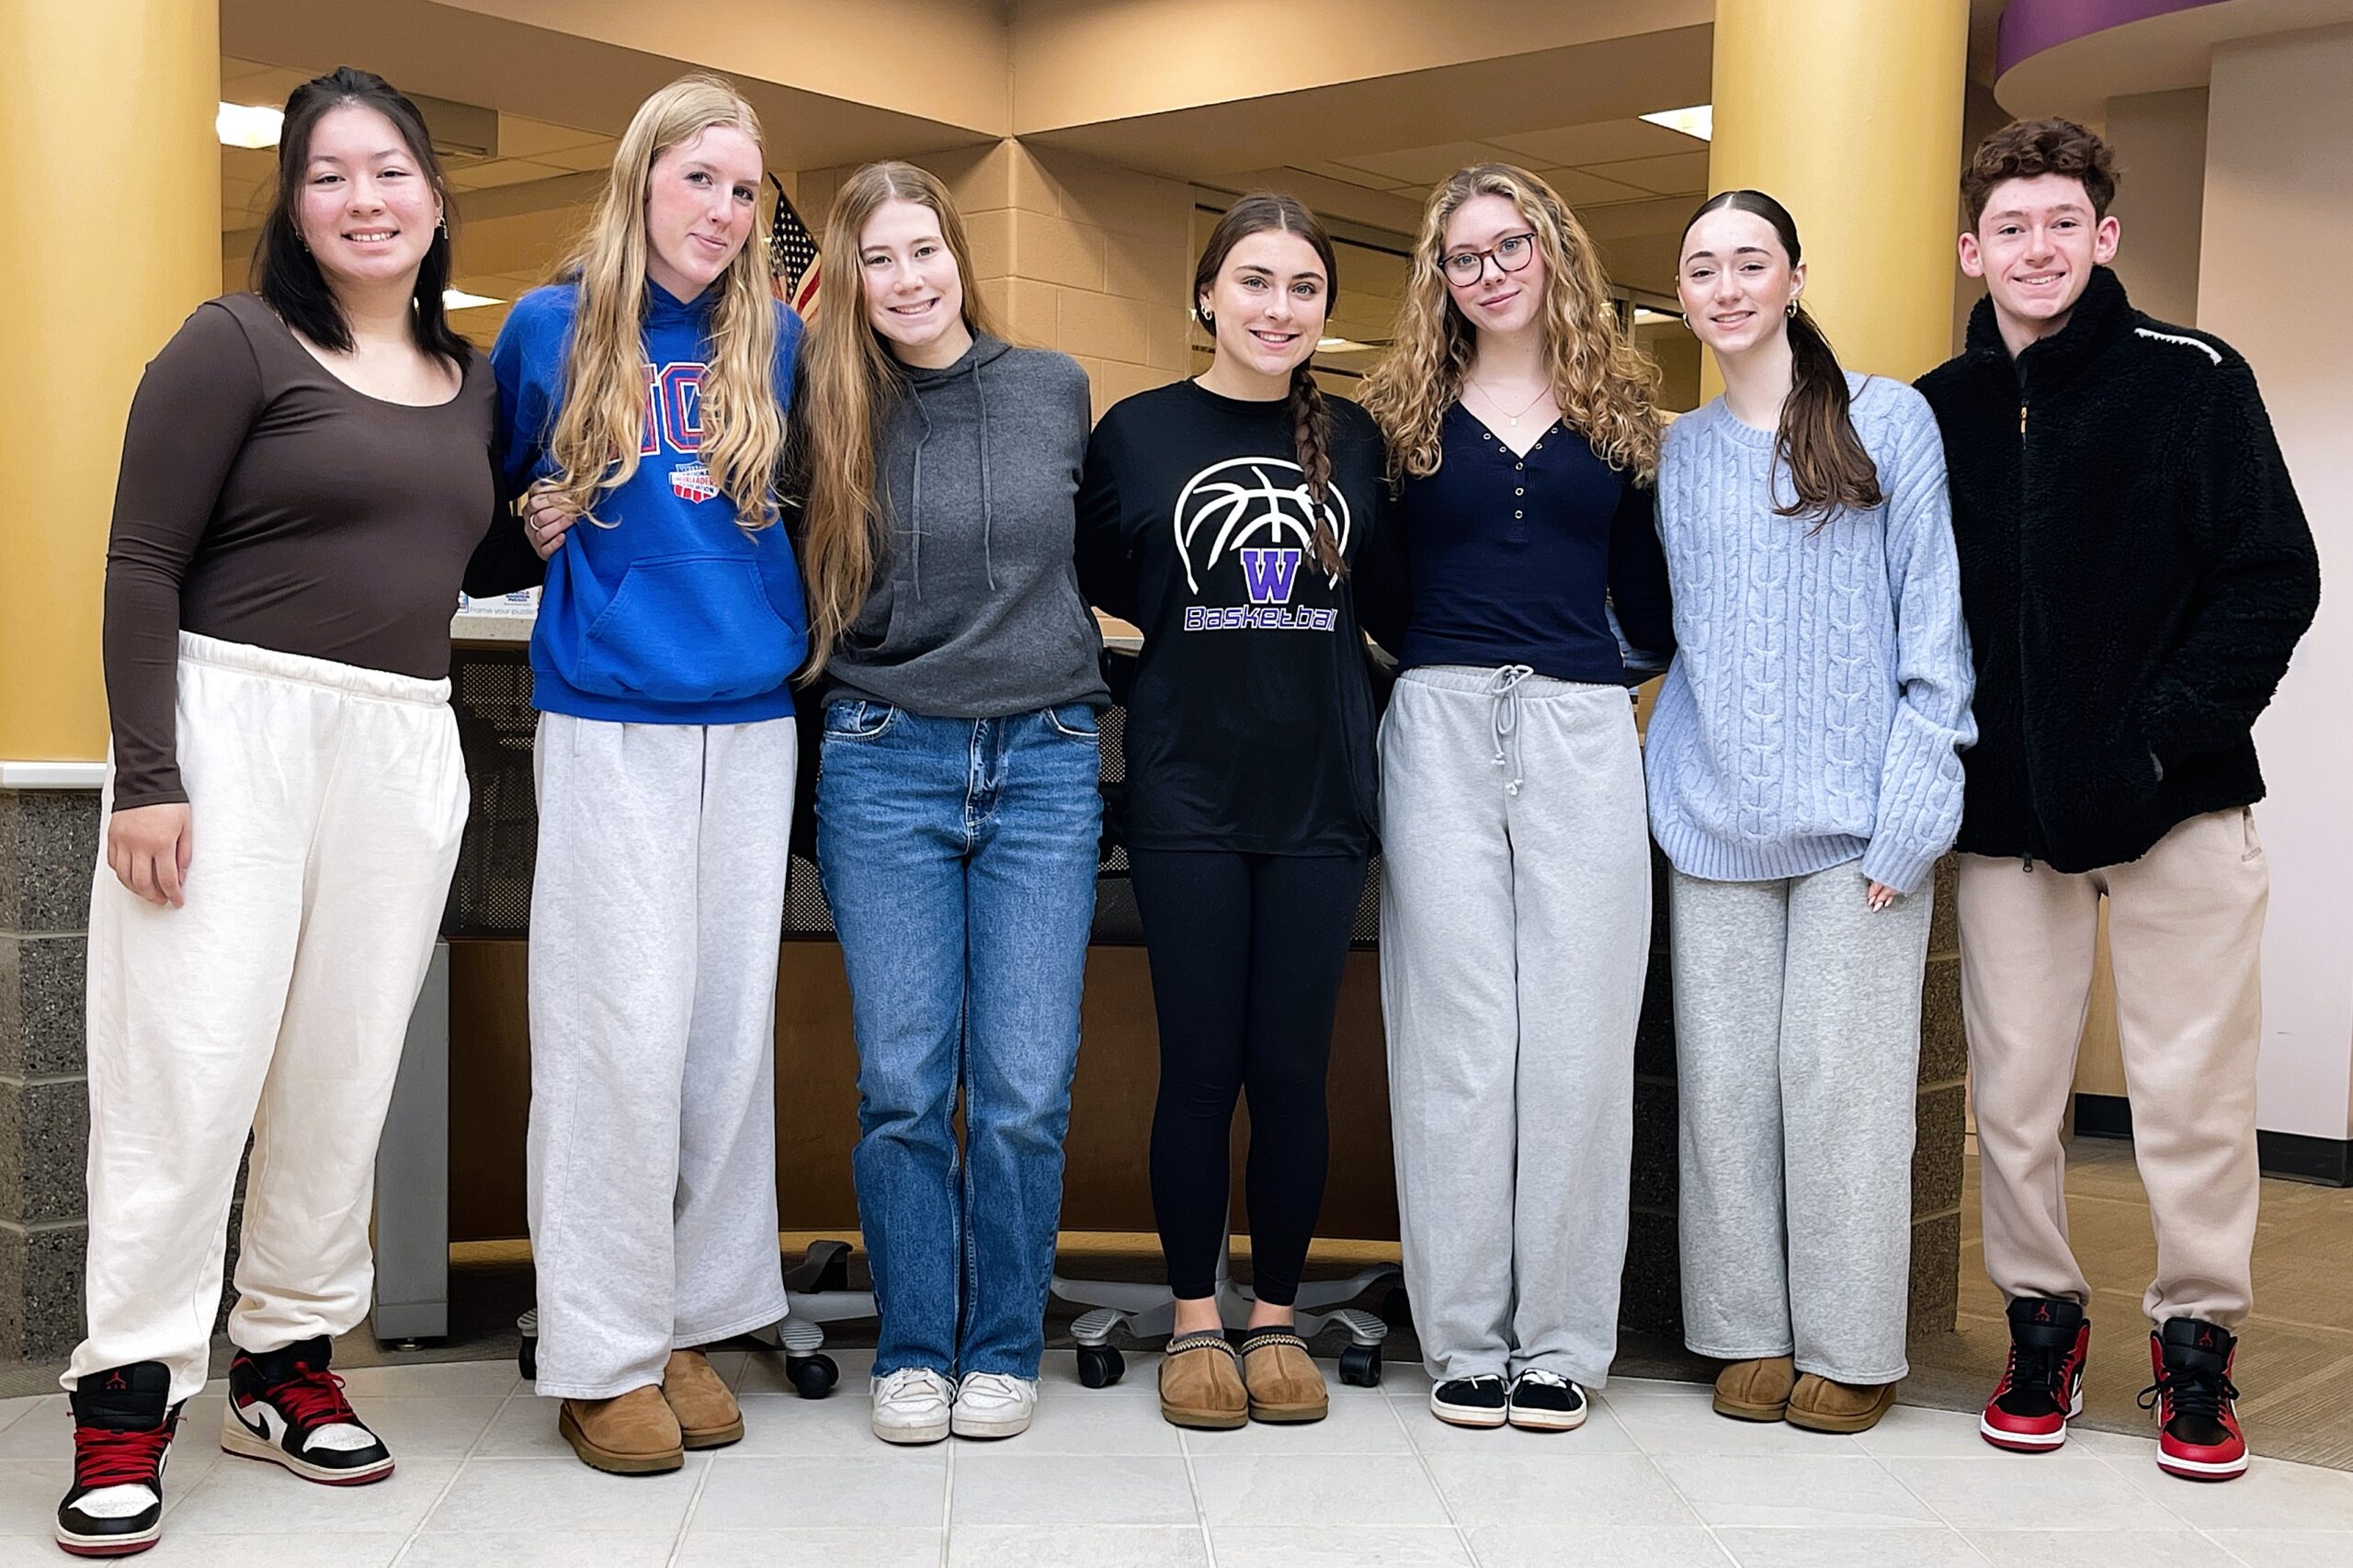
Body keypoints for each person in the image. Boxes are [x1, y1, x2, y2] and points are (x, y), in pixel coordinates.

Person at [58, 67, 534, 1558]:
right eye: (328, 176)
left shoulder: (471, 387)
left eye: (388, 171)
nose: (363, 199)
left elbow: (439, 568)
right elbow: (141, 563)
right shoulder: (235, 344)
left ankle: (284, 1361)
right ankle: (126, 1392)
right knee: (187, 1063)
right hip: (232, 718)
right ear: (293, 205)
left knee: (339, 1071)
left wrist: (531, 531)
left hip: (398, 739)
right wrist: (148, 772)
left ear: (435, 199)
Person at [1915, 118, 2318, 1480]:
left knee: (2191, 1091)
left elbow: (2273, 578)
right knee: (2015, 1096)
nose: (2037, 249)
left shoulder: (2195, 382)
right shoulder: (1937, 411)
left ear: (2105, 235)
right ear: (1975, 247)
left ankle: (2196, 1342)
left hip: (2179, 810)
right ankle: (2044, 1320)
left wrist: (2152, 745)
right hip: (2010, 823)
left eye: (2061, 224)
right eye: (2009, 228)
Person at [492, 74, 807, 1476]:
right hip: (609, 710)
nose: (725, 214)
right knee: (615, 1034)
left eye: (745, 192)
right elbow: (491, 528)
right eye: (702, 183)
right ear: (642, 180)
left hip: (749, 719)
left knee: (722, 1041)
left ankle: (682, 1316)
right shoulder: (549, 328)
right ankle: (597, 1346)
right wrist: (532, 517)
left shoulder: (775, 338)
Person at [1649, 190, 1974, 1435]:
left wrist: (1912, 815)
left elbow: (1935, 638)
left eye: (1749, 262)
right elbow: (1688, 637)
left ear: (1793, 275)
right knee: (1726, 1092)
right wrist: (1670, 782)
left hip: (1861, 837)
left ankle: (1851, 1341)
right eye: (1702, 269)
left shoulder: (1889, 420)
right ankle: (1745, 1330)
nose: (1727, 287)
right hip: (1714, 825)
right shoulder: (1681, 452)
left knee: (1841, 1091)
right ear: (1682, 295)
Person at [790, 162, 1103, 1445]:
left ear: (960, 255)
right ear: (848, 282)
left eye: (924, 251)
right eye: (878, 260)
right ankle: (915, 1343)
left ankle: (1002, 1344)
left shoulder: (1054, 390)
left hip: (1044, 760)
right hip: (882, 753)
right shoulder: (823, 407)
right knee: (906, 1083)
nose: (908, 280)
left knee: (1025, 1084)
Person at [1358, 164, 1669, 1433]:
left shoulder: (1624, 408)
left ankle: (1562, 1340)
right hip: (1435, 723)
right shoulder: (1395, 414)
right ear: (1437, 277)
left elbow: (1651, 602)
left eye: (1509, 246)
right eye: (1462, 256)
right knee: (1458, 1042)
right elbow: (1378, 590)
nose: (1488, 273)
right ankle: (1467, 1335)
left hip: (1587, 728)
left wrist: (1585, 681)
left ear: (1554, 249)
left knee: (1582, 1036)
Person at [1075, 192, 1393, 1431]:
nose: (1277, 307)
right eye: (1254, 282)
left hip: (1320, 797)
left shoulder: (1359, 441)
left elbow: (1397, 604)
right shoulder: (1138, 432)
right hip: (1186, 791)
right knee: (1201, 1066)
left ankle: (1276, 1319)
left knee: (1294, 1071)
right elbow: (1111, 580)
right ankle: (1195, 1320)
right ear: (1207, 294)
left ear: (1325, 308)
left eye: (1303, 287)